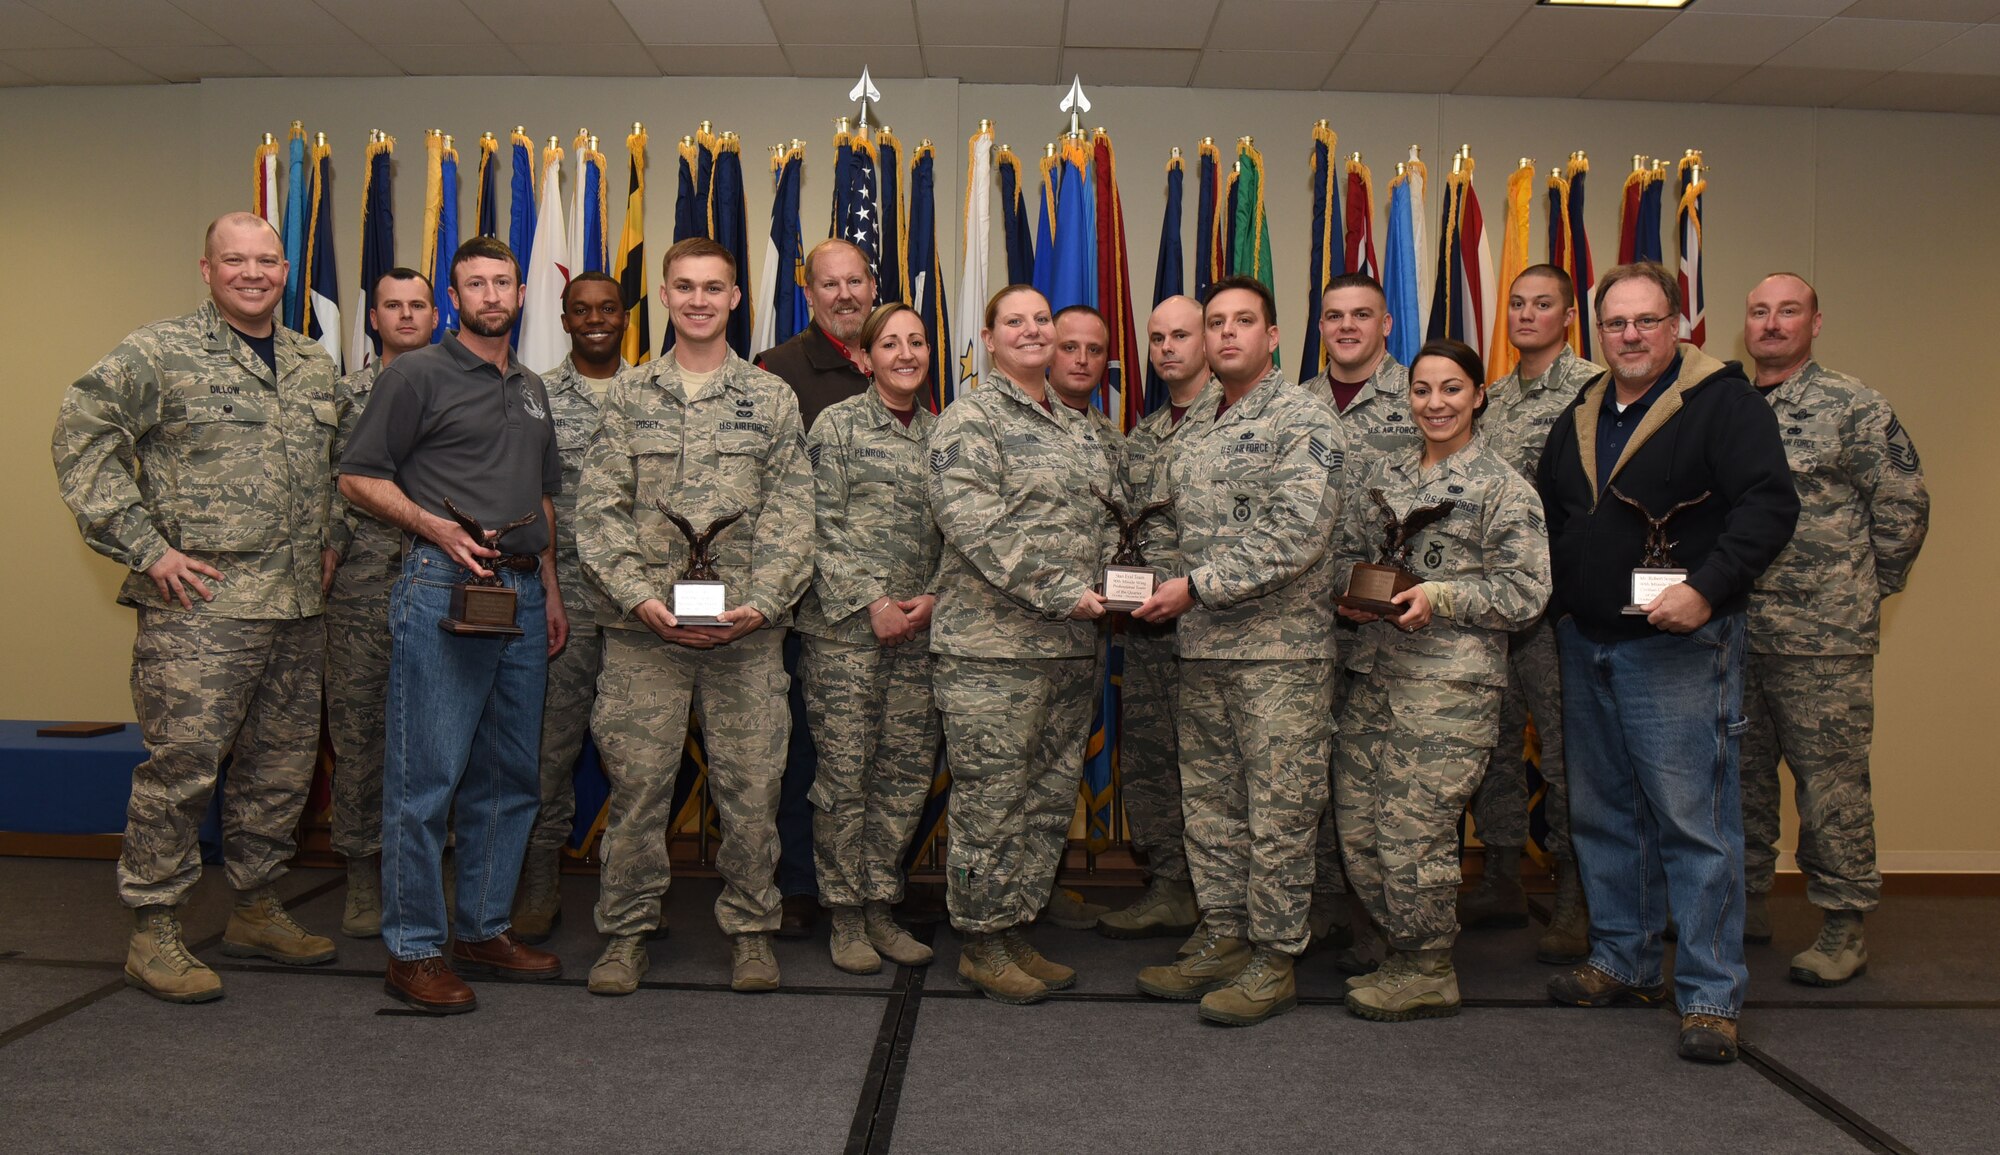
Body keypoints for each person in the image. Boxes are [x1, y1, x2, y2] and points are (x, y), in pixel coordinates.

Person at [53, 212, 342, 1003]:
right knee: (182, 770)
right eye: (236, 260)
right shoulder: (158, 352)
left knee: (278, 772)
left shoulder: (312, 362)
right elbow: (82, 435)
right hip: (201, 608)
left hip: (295, 606)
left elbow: (344, 464)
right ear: (207, 270)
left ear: (286, 270)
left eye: (268, 261)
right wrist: (147, 547)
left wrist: (333, 537)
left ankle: (255, 905)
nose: (254, 273)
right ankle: (154, 927)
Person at [1538, 261, 1799, 1064]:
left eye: (1647, 321)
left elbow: (1769, 505)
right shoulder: (1581, 409)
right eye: (1616, 323)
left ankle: (1712, 993)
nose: (1631, 336)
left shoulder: (1723, 402)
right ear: (1598, 330)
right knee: (1604, 816)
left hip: (1681, 645)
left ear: (1678, 323)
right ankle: (1624, 957)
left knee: (1695, 823)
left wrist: (1709, 590)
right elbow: (1552, 514)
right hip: (1589, 642)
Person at [575, 238, 812, 996]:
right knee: (640, 789)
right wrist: (639, 598)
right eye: (685, 287)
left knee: (752, 791)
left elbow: (794, 516)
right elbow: (598, 513)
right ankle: (625, 931)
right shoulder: (629, 396)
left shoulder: (771, 398)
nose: (700, 300)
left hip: (746, 635)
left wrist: (762, 603)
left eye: (715, 287)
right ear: (666, 297)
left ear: (736, 298)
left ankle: (750, 929)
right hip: (646, 636)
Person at [340, 236, 568, 1013]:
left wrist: (552, 587)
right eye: (476, 283)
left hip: (522, 596)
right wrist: (433, 527)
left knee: (510, 778)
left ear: (519, 292)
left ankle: (481, 926)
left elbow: (542, 499)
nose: (492, 295)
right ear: (453, 297)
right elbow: (357, 475)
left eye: (503, 282)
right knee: (425, 778)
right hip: (443, 586)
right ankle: (413, 948)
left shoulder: (532, 387)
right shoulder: (416, 375)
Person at [1129, 276, 1343, 1026]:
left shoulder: (1303, 420)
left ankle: (1275, 957)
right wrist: (1153, 577)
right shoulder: (1193, 427)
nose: (1225, 336)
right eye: (1214, 322)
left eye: (1242, 322)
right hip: (1203, 652)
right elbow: (1162, 522)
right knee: (1213, 808)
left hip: (1278, 658)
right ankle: (1224, 934)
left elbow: (1296, 533)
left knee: (1279, 811)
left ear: (1275, 336)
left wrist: (1196, 584)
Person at [1333, 338, 1551, 1022]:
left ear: (1478, 396)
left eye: (1452, 389)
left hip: (1449, 689)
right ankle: (1402, 948)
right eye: (1423, 390)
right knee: (1359, 827)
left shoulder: (1502, 486)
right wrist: (1350, 595)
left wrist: (1441, 597)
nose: (1435, 403)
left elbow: (1526, 591)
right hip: (1375, 674)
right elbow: (1365, 559)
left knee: (1414, 832)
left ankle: (1428, 965)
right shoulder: (1388, 475)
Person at [1739, 273, 1929, 984]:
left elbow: (1904, 503)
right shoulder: (1727, 403)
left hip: (1823, 636)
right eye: (1760, 312)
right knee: (1739, 778)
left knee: (1831, 783)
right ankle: (1746, 901)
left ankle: (1843, 924)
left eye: (1789, 311)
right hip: (1733, 626)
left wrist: (1862, 589)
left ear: (1816, 322)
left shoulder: (1852, 406)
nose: (1772, 323)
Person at [927, 284, 1112, 1005]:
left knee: (1043, 798)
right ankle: (979, 936)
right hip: (991, 654)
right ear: (990, 338)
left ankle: (1013, 925)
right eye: (1017, 322)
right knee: (989, 803)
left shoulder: (1080, 426)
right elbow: (974, 525)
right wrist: (1063, 588)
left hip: (1069, 650)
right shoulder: (970, 419)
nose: (1033, 331)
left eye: (1042, 320)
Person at [1457, 265, 1602, 964]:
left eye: (1542, 304)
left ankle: (1577, 897)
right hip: (1490, 603)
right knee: (1491, 744)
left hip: (1559, 608)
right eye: (1516, 303)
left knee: (1570, 752)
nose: (1525, 314)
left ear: (1569, 315)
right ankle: (1503, 874)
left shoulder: (1596, 390)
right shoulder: (1496, 395)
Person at [796, 303, 942, 975]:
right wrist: (873, 601)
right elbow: (812, 524)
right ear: (866, 356)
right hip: (846, 636)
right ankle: (846, 913)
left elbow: (961, 534)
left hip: (921, 635)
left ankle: (882, 902)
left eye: (916, 341)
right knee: (846, 779)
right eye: (891, 342)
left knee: (905, 776)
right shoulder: (838, 426)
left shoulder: (945, 435)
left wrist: (933, 598)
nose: (906, 353)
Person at [755, 238, 877, 939]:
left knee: (887, 750)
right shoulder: (779, 370)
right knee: (809, 751)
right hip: (811, 606)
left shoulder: (903, 355)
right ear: (808, 294)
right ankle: (801, 881)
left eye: (855, 281)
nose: (844, 295)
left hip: (893, 603)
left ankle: (868, 878)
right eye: (828, 285)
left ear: (872, 284)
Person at [1299, 272, 1417, 944]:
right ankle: (1314, 907)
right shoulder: (1295, 403)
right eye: (1335, 315)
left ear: (1386, 324)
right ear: (1320, 327)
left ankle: (1377, 915)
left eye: (1362, 314)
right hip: (1309, 620)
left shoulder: (1421, 396)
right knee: (1311, 768)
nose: (1347, 326)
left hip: (1395, 627)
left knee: (1380, 775)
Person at [512, 271, 628, 943]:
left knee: (641, 756)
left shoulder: (654, 392)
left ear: (625, 315)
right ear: (562, 317)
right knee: (548, 750)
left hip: (642, 606)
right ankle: (539, 884)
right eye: (581, 310)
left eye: (607, 308)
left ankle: (634, 889)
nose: (595, 319)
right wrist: (549, 586)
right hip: (568, 603)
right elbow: (531, 496)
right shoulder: (535, 396)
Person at [326, 266, 439, 938]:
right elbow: (322, 485)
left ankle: (433, 869)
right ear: (373, 318)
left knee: (442, 737)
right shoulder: (345, 398)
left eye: (417, 305)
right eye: (391, 306)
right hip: (365, 587)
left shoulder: (464, 389)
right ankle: (361, 875)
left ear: (436, 315)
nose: (404, 316)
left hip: (446, 581)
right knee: (361, 733)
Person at [1096, 295, 1212, 942]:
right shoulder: (1142, 435)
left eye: (1181, 335)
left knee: (1213, 767)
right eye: (1157, 338)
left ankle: (1223, 899)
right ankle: (1170, 882)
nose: (1167, 348)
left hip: (1217, 630)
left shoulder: (1238, 419)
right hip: (1145, 626)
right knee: (1149, 756)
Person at [1039, 303, 1126, 932]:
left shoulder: (1111, 440)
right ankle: (992, 926)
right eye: (1069, 347)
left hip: (1080, 642)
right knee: (999, 792)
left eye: (1094, 351)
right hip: (1007, 644)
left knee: (1052, 784)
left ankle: (1033, 895)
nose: (1080, 360)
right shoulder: (994, 420)